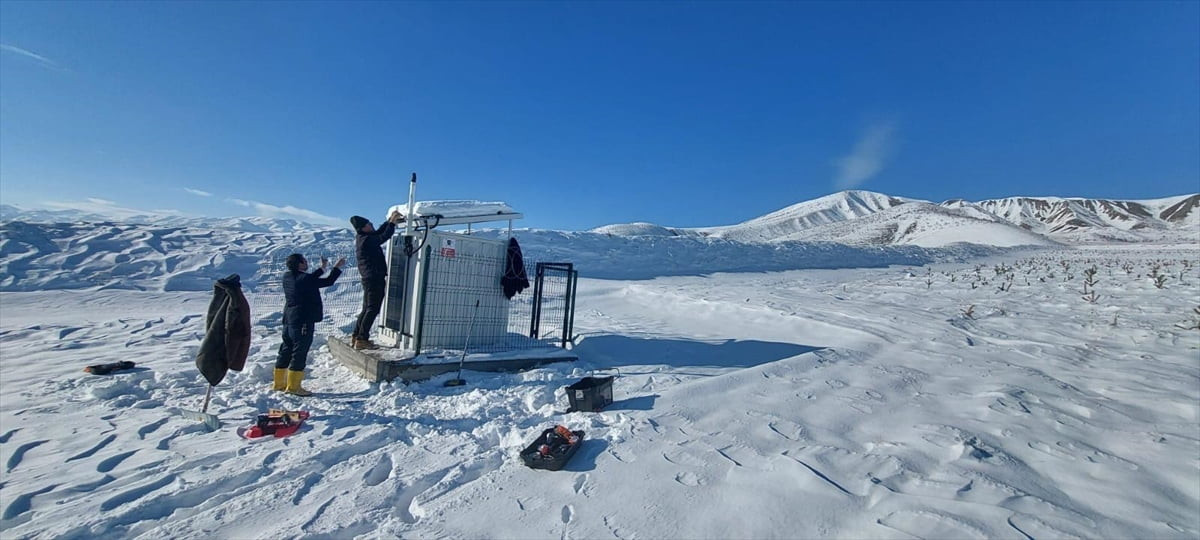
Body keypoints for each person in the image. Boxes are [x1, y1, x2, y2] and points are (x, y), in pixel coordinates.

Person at [276, 253, 345, 396]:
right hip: (302, 321)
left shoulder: (287, 277)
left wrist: (322, 268)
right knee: (299, 352)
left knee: (285, 350)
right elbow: (328, 281)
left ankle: (279, 383)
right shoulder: (305, 279)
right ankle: (294, 387)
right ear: (300, 264)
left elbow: (309, 279)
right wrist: (337, 267)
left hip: (288, 320)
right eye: (305, 261)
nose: (307, 263)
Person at [350, 210, 402, 350]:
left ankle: (357, 335)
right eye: (369, 224)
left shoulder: (363, 237)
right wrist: (391, 224)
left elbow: (378, 232)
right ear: (363, 227)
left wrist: (389, 221)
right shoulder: (366, 240)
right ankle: (362, 339)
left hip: (369, 278)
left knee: (367, 308)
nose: (372, 225)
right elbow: (382, 237)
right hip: (374, 278)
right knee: (372, 308)